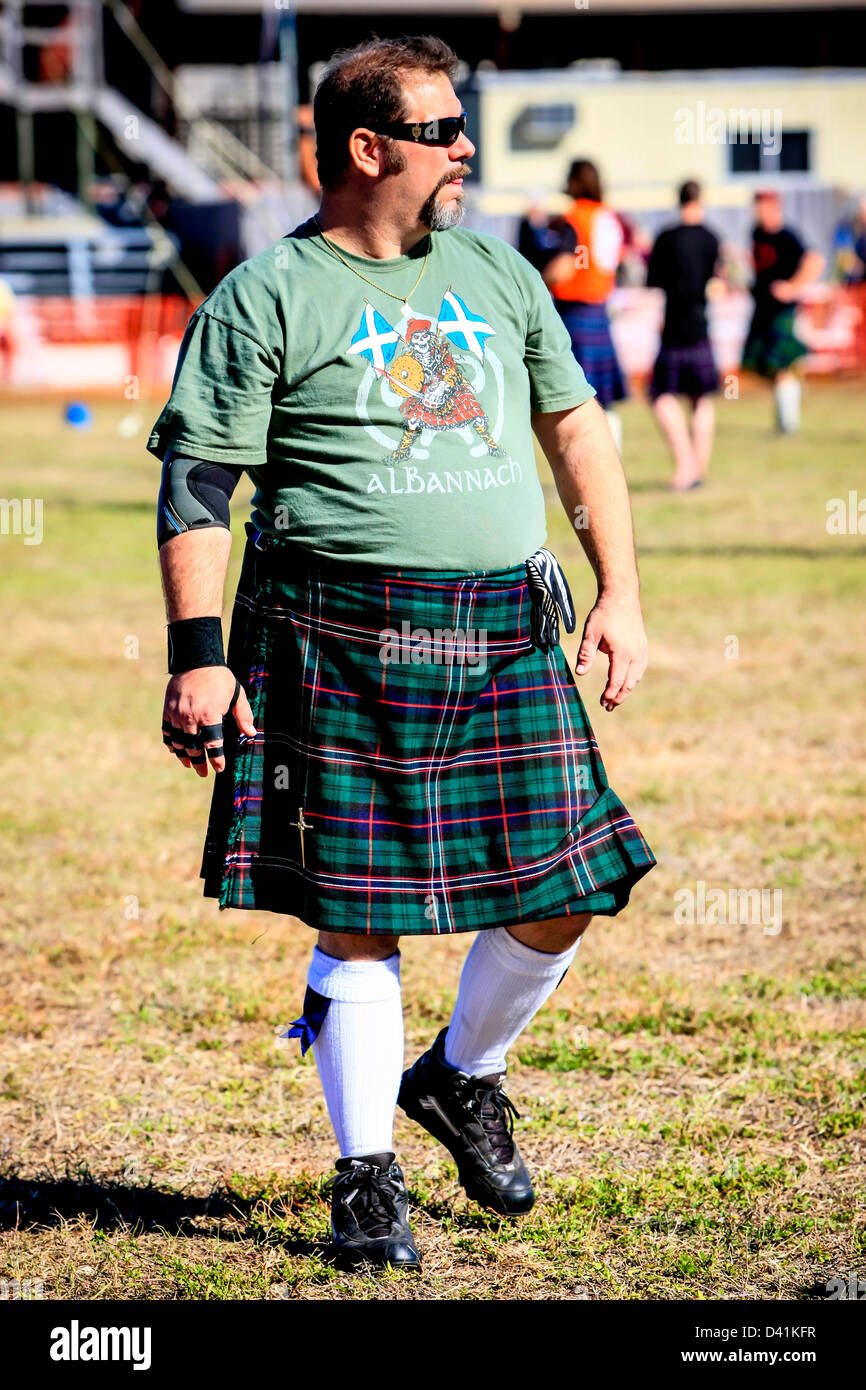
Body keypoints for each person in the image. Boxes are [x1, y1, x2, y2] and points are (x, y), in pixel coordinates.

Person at [148, 35, 656, 1275]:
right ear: (367, 148)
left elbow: (573, 426)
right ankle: (365, 1174)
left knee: (573, 884)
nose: (465, 147)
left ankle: (461, 1075)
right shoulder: (267, 296)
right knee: (355, 915)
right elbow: (198, 481)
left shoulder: (495, 270)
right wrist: (197, 654)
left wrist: (620, 589)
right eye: (442, 129)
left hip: (500, 627)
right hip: (334, 632)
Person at [538, 159, 628, 457]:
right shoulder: (608, 217)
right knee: (604, 396)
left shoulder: (574, 218)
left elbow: (563, 268)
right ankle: (613, 454)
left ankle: (594, 457)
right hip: (600, 309)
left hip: (575, 313)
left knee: (577, 394)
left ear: (575, 181)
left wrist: (536, 283)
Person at [645, 180, 724, 491]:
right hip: (701, 327)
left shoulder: (666, 237)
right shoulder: (712, 238)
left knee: (660, 395)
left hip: (673, 328)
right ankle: (699, 467)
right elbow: (718, 280)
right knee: (700, 398)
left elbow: (653, 285)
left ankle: (685, 465)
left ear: (678, 200)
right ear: (700, 199)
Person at [741, 190, 824, 434]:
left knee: (780, 367)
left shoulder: (787, 237)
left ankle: (788, 424)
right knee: (759, 365)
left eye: (762, 206)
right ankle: (789, 401)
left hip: (781, 312)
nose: (757, 211)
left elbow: (815, 260)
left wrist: (794, 287)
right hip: (762, 310)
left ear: (775, 207)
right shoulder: (756, 233)